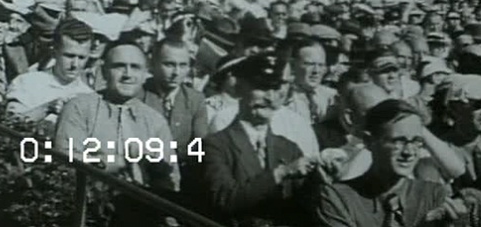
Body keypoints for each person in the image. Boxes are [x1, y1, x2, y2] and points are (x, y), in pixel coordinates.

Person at [55, 40, 180, 226]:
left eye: (135, 68)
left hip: (144, 215)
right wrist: (119, 162)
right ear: (104, 71)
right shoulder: (80, 108)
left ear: (146, 74)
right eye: (119, 67)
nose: (128, 75)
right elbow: (65, 163)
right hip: (90, 212)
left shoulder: (155, 121)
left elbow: (171, 179)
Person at [200, 51, 316, 227]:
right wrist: (280, 173)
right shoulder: (214, 145)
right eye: (261, 87)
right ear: (239, 87)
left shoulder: (288, 147)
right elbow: (225, 200)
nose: (270, 98)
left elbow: (305, 206)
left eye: (276, 88)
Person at [314, 99, 466, 226]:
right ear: (369, 141)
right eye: (398, 141)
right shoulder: (339, 198)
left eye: (416, 142)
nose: (409, 152)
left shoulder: (433, 195)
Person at [139, 39, 208, 188]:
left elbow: (199, 147)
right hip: (142, 176)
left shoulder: (195, 100)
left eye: (183, 65)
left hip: (181, 178)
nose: (176, 72)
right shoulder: (139, 95)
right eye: (169, 64)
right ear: (153, 64)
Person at [5, 19, 95, 128]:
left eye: (81, 57)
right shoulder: (26, 83)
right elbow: (9, 124)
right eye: (69, 56)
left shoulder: (90, 96)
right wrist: (47, 108)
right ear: (54, 52)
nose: (75, 64)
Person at [285, 39, 338, 123]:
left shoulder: (332, 97)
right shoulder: (284, 97)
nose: (316, 71)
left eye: (321, 65)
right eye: (309, 64)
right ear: (293, 65)